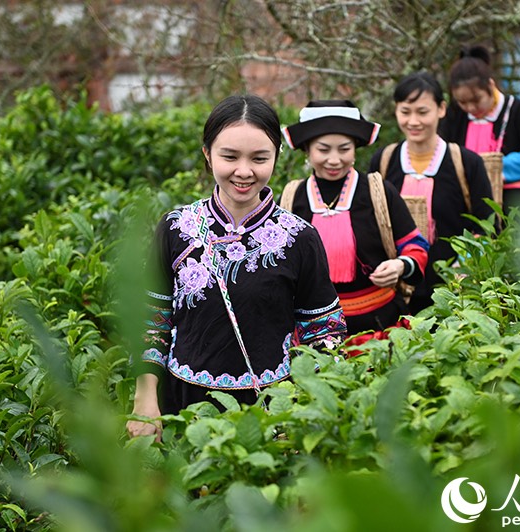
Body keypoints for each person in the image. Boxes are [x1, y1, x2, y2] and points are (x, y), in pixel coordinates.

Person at [127, 94, 347, 440]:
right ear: (207, 154)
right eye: (229, 156)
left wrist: (307, 407)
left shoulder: (300, 237)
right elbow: (152, 319)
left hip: (272, 411)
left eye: (259, 158)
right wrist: (145, 399)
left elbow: (325, 331)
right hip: (183, 407)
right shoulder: (176, 228)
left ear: (276, 157)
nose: (244, 171)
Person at [280, 100, 429, 342]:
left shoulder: (377, 191)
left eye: (344, 149)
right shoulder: (292, 198)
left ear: (356, 148)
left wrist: (400, 266)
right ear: (307, 149)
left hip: (381, 328)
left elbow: (416, 247)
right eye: (323, 149)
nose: (334, 159)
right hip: (313, 333)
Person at [368, 71, 494, 314]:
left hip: (452, 293)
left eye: (422, 112)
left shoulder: (466, 163)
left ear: (441, 109)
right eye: (405, 112)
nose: (413, 121)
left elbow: (486, 226)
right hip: (394, 292)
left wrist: (461, 272)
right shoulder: (384, 161)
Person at [440, 44, 520, 215]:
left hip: (513, 206)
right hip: (464, 205)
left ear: (490, 86)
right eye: (462, 102)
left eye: (476, 100)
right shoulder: (454, 116)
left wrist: (490, 170)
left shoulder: (519, 111)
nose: (470, 107)